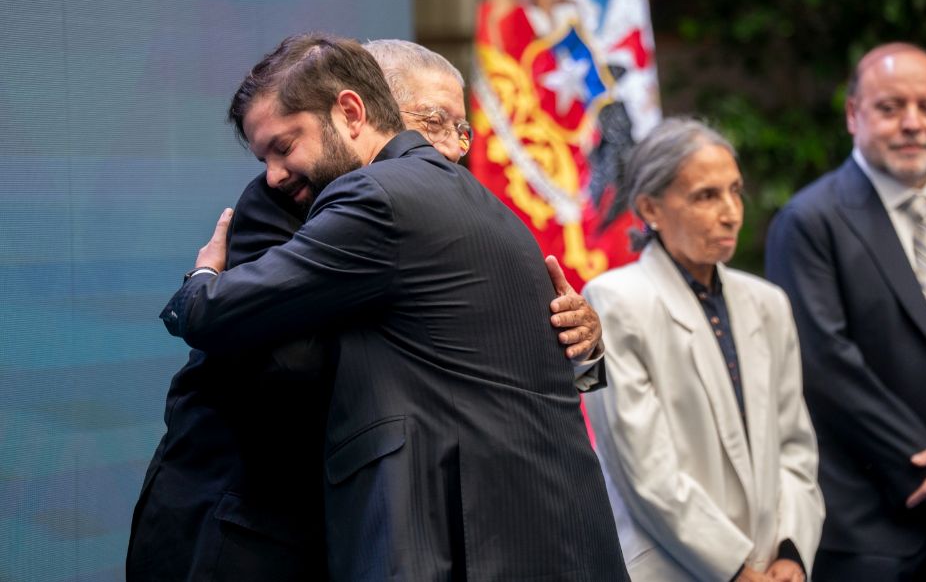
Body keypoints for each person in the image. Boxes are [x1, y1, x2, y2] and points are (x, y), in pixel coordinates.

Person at [127, 38, 606, 580]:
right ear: (366, 107)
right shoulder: (292, 197)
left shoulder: (436, 201)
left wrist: (577, 343)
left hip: (449, 523)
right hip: (247, 524)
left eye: (461, 127)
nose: (452, 143)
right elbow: (284, 364)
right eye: (432, 120)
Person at [766, 42, 926, 580]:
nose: (913, 123)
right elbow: (826, 369)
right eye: (891, 108)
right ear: (854, 115)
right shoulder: (809, 222)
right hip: (865, 529)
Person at [583, 117, 824, 582]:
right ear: (650, 207)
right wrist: (736, 568)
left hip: (774, 564)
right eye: (706, 196)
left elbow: (795, 445)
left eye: (735, 191)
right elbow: (644, 470)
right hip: (669, 567)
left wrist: (791, 552)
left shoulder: (768, 304)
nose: (732, 212)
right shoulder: (615, 301)